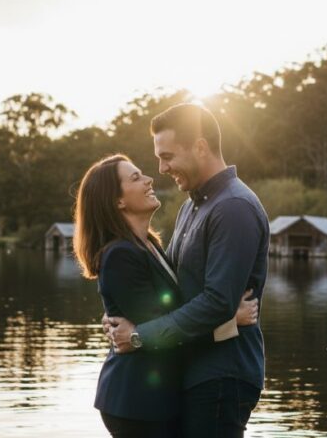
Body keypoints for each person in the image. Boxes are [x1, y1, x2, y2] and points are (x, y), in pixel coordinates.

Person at [107, 103, 270, 438]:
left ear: (200, 147)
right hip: (194, 371)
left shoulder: (233, 208)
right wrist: (119, 311)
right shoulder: (191, 208)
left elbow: (216, 302)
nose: (162, 168)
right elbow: (177, 291)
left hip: (222, 375)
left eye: (167, 156)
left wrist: (139, 337)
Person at [73, 154, 259, 438]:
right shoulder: (120, 255)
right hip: (136, 400)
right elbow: (166, 331)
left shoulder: (148, 244)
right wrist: (230, 320)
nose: (149, 179)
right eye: (136, 178)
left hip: (155, 396)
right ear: (117, 201)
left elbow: (168, 315)